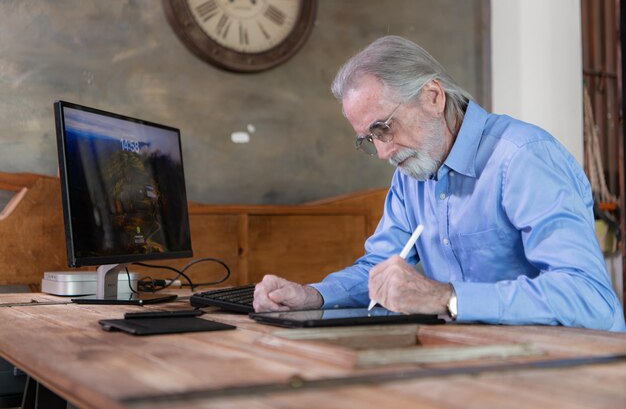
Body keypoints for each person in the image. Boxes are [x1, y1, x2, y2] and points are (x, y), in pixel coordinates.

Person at [253, 36, 626, 332]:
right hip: (481, 359)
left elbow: (589, 297)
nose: (383, 153)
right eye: (370, 139)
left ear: (432, 96)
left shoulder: (522, 157)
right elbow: (381, 267)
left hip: (577, 367)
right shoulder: (410, 174)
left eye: (384, 128)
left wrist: (446, 297)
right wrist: (313, 296)